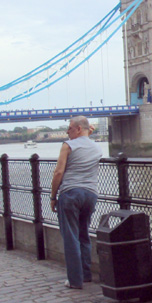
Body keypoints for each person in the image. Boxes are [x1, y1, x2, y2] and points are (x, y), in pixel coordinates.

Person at [50, 116, 102, 290]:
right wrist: (87, 130)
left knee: (71, 237)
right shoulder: (96, 147)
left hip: (71, 194)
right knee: (83, 234)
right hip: (90, 195)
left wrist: (52, 196)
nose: (67, 131)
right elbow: (85, 135)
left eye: (70, 128)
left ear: (78, 129)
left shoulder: (68, 146)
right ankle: (86, 275)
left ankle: (74, 280)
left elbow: (58, 173)